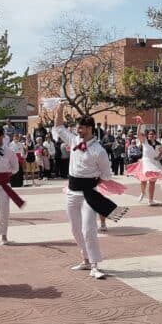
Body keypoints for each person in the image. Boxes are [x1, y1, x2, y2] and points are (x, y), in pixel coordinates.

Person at [52, 106, 128, 280]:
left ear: (90, 129)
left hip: (88, 194)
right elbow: (59, 127)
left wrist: (91, 184)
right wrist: (60, 109)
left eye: (82, 127)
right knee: (75, 229)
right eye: (78, 126)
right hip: (71, 192)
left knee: (89, 229)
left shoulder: (99, 151)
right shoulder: (73, 141)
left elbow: (107, 175)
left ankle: (95, 265)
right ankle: (85, 260)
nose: (78, 129)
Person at [125, 121, 162, 205]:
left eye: (152, 134)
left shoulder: (159, 144)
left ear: (155, 135)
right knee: (143, 180)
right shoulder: (145, 141)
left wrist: (158, 157)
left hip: (154, 163)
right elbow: (139, 134)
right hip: (145, 162)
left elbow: (161, 152)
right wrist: (139, 125)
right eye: (149, 134)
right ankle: (143, 193)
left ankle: (150, 200)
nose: (151, 135)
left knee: (152, 182)